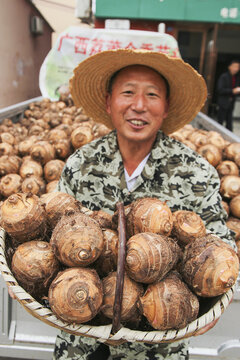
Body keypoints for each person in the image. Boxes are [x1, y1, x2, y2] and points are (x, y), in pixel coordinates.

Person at [54, 49, 236, 360]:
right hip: (83, 341)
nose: (139, 105)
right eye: (128, 93)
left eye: (152, 95)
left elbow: (220, 243)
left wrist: (216, 295)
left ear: (166, 108)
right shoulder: (80, 165)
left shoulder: (195, 171)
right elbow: (55, 238)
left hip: (161, 344)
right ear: (110, 102)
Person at [217, 59, 240, 131]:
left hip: (231, 102)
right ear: (229, 67)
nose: (236, 69)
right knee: (220, 122)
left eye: (238, 67)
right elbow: (220, 90)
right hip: (223, 102)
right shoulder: (224, 77)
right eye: (234, 66)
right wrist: (232, 91)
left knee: (229, 123)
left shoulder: (237, 78)